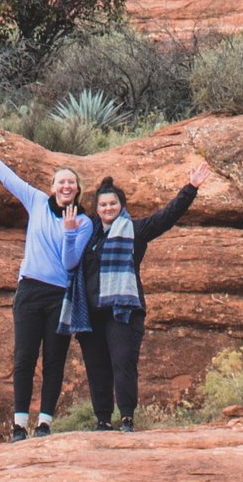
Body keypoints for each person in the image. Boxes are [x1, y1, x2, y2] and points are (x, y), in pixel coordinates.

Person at [78, 159, 212, 430]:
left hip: (123, 311)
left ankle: (127, 416)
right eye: (103, 205)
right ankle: (102, 420)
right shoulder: (86, 234)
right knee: (97, 369)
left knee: (123, 363)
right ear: (97, 208)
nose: (108, 208)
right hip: (90, 312)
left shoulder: (135, 230)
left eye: (113, 204)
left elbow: (167, 216)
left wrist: (191, 188)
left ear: (121, 206)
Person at [0, 134, 91, 438]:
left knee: (54, 359)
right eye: (61, 182)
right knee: (24, 357)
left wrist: (69, 233)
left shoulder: (84, 222)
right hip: (29, 291)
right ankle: (19, 424)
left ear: (77, 190)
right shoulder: (37, 201)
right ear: (53, 187)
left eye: (71, 183)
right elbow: (11, 181)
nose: (66, 186)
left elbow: (70, 263)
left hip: (59, 296)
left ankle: (45, 423)